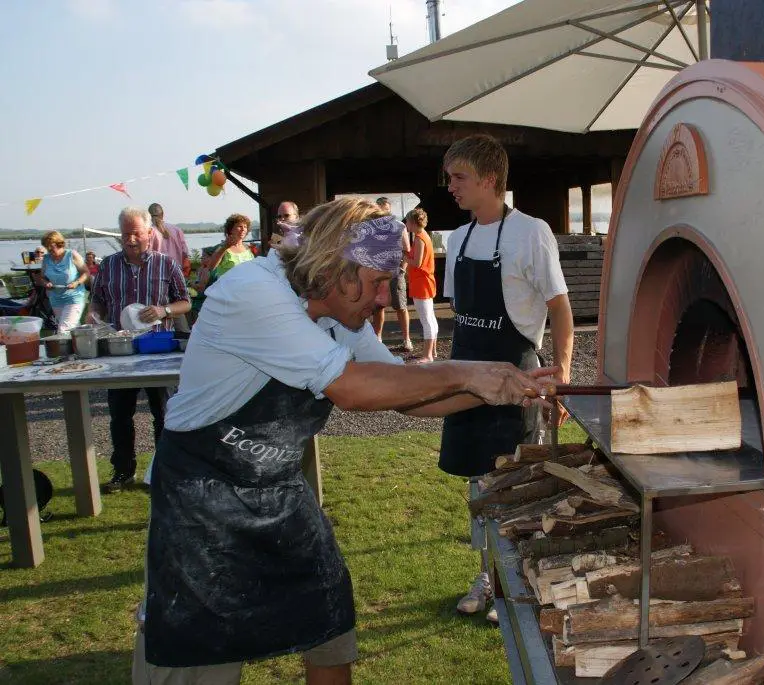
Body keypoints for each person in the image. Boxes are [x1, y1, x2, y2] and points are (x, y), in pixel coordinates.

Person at [133, 196, 556, 685]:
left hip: (277, 488)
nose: (384, 299)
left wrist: (501, 387)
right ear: (336, 269)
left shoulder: (337, 315)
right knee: (196, 652)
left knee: (329, 624)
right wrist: (466, 372)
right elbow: (352, 389)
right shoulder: (254, 292)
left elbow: (408, 394)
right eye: (378, 282)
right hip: (201, 496)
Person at [440, 134, 575, 620]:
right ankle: (485, 575)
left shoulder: (531, 232)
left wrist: (561, 375)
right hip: (467, 379)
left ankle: (512, 579)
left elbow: (560, 309)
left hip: (517, 380)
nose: (451, 187)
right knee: (479, 487)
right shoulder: (457, 239)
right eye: (450, 178)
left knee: (515, 484)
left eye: (459, 177)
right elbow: (461, 313)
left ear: (490, 179)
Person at [89, 207, 191, 493]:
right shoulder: (108, 265)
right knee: (119, 415)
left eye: (136, 233)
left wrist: (163, 310)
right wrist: (93, 315)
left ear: (149, 233)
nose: (130, 239)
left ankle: (161, 471)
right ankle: (123, 471)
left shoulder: (166, 264)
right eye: (125, 234)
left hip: (158, 350)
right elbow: (97, 301)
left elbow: (185, 302)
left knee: (164, 414)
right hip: (120, 352)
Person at [371, 197, 412, 351]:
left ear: (390, 210)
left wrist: (402, 270)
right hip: (377, 274)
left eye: (386, 209)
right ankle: (378, 339)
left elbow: (407, 251)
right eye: (380, 209)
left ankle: (407, 339)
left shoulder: (399, 226)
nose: (383, 212)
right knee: (378, 307)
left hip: (395, 273)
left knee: (401, 306)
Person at [148, 203, 192, 332]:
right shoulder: (176, 230)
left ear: (149, 216)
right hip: (176, 276)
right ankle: (184, 336)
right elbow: (185, 255)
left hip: (157, 277)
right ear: (163, 214)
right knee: (178, 307)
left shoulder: (149, 232)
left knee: (157, 312)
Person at [404, 208, 437, 363]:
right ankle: (432, 351)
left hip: (421, 282)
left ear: (412, 222)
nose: (406, 224)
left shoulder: (419, 238)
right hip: (425, 281)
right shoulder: (424, 235)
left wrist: (403, 256)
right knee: (430, 317)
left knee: (426, 320)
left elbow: (417, 263)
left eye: (407, 221)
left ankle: (428, 354)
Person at [39, 230, 88, 333]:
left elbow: (86, 273)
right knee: (73, 329)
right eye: (46, 246)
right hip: (56, 299)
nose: (48, 249)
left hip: (74, 297)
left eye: (50, 245)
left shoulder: (72, 255)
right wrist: (46, 283)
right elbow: (42, 278)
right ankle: (85, 340)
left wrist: (76, 283)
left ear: (59, 243)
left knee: (63, 329)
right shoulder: (46, 259)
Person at [210, 213, 254, 278]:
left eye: (245, 227)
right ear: (231, 229)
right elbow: (211, 267)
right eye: (240, 226)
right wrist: (225, 247)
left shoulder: (247, 247)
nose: (243, 229)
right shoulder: (223, 247)